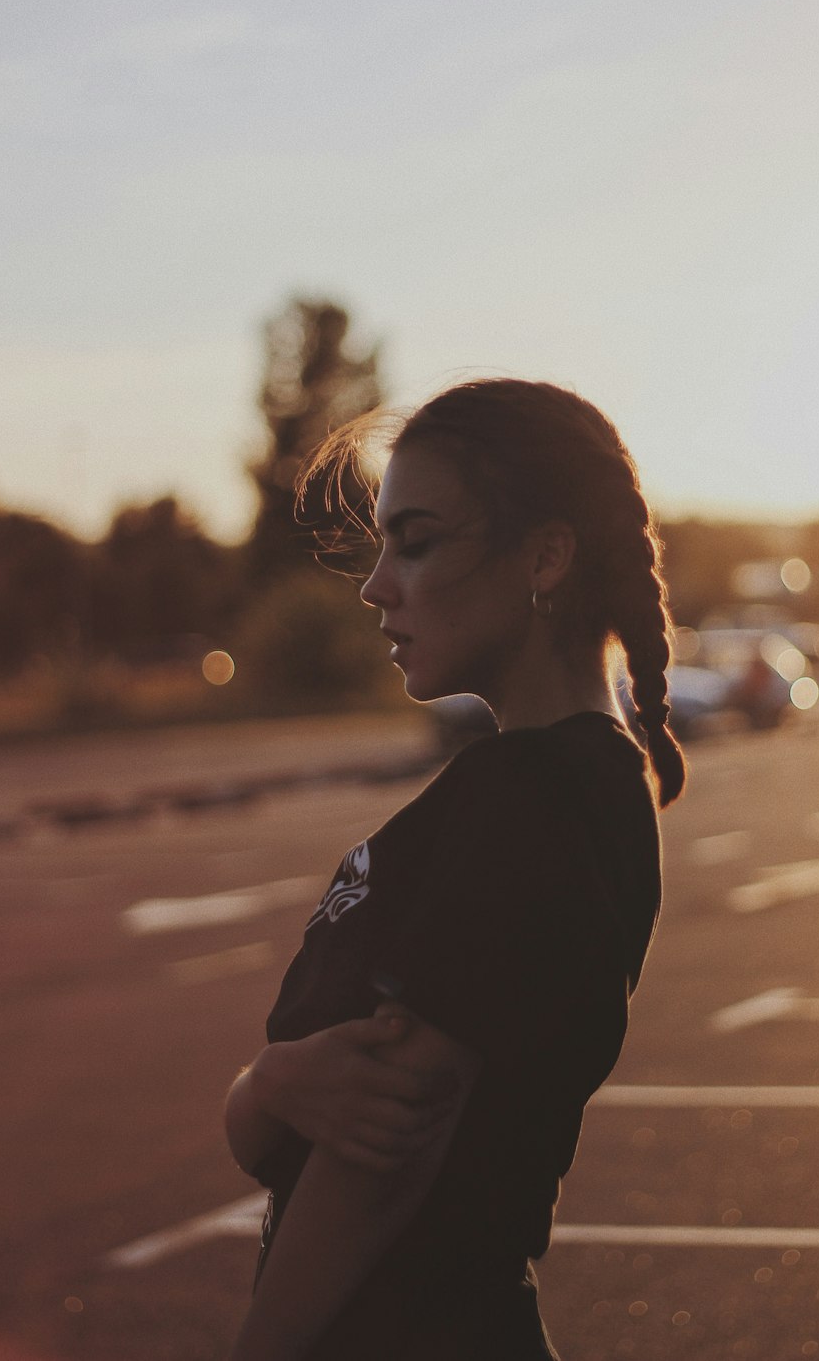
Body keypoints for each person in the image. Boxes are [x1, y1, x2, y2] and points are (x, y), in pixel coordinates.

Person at [224, 378, 686, 1360]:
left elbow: (379, 1159)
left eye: (417, 540)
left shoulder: (536, 797)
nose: (375, 583)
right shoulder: (544, 784)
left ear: (544, 556)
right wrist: (267, 1085)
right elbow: (280, 1133)